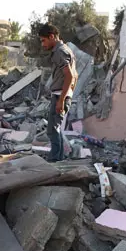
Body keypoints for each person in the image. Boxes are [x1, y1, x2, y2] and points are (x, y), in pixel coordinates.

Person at [39, 23, 77, 162]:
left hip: (60, 95)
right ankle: (58, 159)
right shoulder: (66, 49)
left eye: (44, 40)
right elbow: (76, 75)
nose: (43, 44)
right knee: (55, 129)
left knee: (52, 130)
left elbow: (70, 76)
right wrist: (69, 94)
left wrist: (62, 99)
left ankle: (54, 161)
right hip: (61, 94)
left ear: (52, 36)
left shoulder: (59, 52)